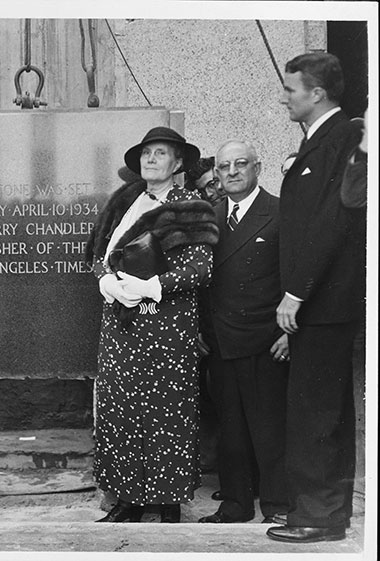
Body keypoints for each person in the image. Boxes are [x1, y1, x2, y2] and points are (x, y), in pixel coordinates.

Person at [86, 126, 218, 524]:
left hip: (166, 327)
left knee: (166, 413)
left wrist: (153, 285)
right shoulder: (123, 203)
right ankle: (128, 501)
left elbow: (201, 270)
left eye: (160, 153)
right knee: (121, 410)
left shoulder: (191, 207)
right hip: (121, 327)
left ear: (178, 163)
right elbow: (98, 256)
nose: (151, 159)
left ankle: (167, 503)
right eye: (146, 153)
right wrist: (105, 281)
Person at [267, 52, 365, 544]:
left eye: (290, 89)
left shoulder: (344, 137)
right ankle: (319, 510)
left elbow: (330, 224)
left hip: (322, 302)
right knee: (317, 408)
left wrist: (295, 294)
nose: (283, 97)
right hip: (318, 302)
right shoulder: (319, 140)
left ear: (317, 93)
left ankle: (319, 517)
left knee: (317, 410)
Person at [198, 140, 289, 525]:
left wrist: (291, 333)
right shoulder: (209, 218)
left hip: (266, 339)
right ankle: (235, 504)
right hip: (220, 340)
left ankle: (278, 505)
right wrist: (200, 329)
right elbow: (201, 282)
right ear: (216, 173)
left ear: (257, 168)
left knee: (269, 426)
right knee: (230, 428)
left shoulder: (281, 213)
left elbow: (298, 278)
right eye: (224, 166)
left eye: (241, 164)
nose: (232, 172)